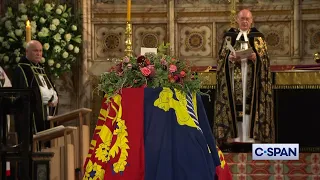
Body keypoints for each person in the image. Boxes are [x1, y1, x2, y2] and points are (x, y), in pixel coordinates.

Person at [214, 9, 274, 145]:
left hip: (252, 81)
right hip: (234, 81)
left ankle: (252, 137)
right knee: (236, 106)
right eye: (242, 19)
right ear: (237, 20)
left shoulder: (258, 37)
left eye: (247, 19)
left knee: (250, 106)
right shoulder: (229, 37)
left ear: (252, 20)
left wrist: (256, 58)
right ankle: (234, 138)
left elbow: (265, 60)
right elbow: (221, 59)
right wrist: (229, 59)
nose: (245, 21)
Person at [12, 40, 58, 140]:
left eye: (40, 51)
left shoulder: (41, 68)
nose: (38, 54)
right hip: (30, 116)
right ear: (27, 51)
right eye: (35, 51)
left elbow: (51, 88)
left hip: (45, 112)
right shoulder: (22, 69)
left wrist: (53, 98)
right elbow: (24, 94)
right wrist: (45, 98)